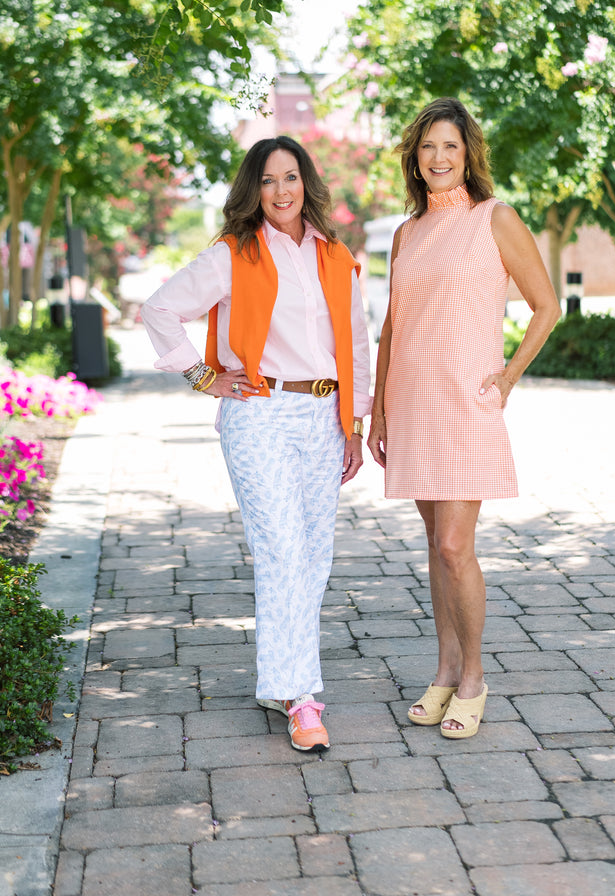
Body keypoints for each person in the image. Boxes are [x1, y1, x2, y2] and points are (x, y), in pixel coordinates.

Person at [142, 136, 372, 753]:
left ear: (307, 184)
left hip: (324, 417)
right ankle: (302, 698)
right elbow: (159, 309)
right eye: (268, 181)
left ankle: (282, 681)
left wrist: (353, 423)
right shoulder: (232, 254)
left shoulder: (336, 256)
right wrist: (203, 376)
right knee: (282, 550)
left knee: (313, 555)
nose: (281, 191)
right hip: (260, 413)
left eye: (291, 178)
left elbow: (356, 346)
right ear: (253, 189)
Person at [368, 98, 560, 739]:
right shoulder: (406, 233)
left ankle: (474, 677)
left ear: (468, 153)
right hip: (412, 404)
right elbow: (392, 327)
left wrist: (506, 378)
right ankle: (445, 672)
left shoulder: (494, 218)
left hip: (467, 406)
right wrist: (378, 410)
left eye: (450, 146)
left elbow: (546, 306)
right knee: (434, 546)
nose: (439, 158)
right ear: (414, 160)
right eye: (427, 148)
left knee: (456, 547)